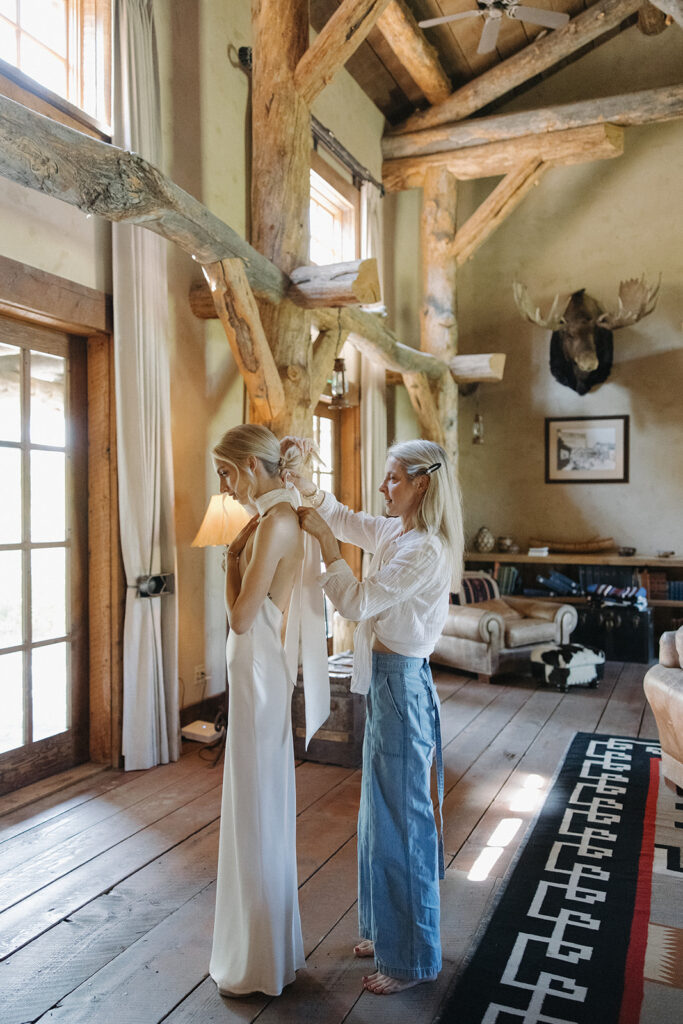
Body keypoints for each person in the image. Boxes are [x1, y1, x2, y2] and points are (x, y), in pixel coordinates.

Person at [287, 437, 464, 996]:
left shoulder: (426, 550)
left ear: (421, 485)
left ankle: (414, 958)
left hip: (404, 686)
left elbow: (358, 602)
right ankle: (385, 931)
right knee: (377, 817)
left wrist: (325, 547)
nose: (384, 488)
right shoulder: (397, 531)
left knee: (404, 823)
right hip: (385, 682)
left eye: (393, 479)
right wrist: (301, 473)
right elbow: (339, 516)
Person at [209, 424, 319, 998]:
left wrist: (228, 563)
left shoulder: (274, 523)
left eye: (227, 472)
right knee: (254, 801)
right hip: (254, 669)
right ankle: (264, 950)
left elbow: (242, 617)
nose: (225, 486)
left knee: (255, 805)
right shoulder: (271, 518)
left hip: (256, 665)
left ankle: (259, 960)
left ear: (253, 464)